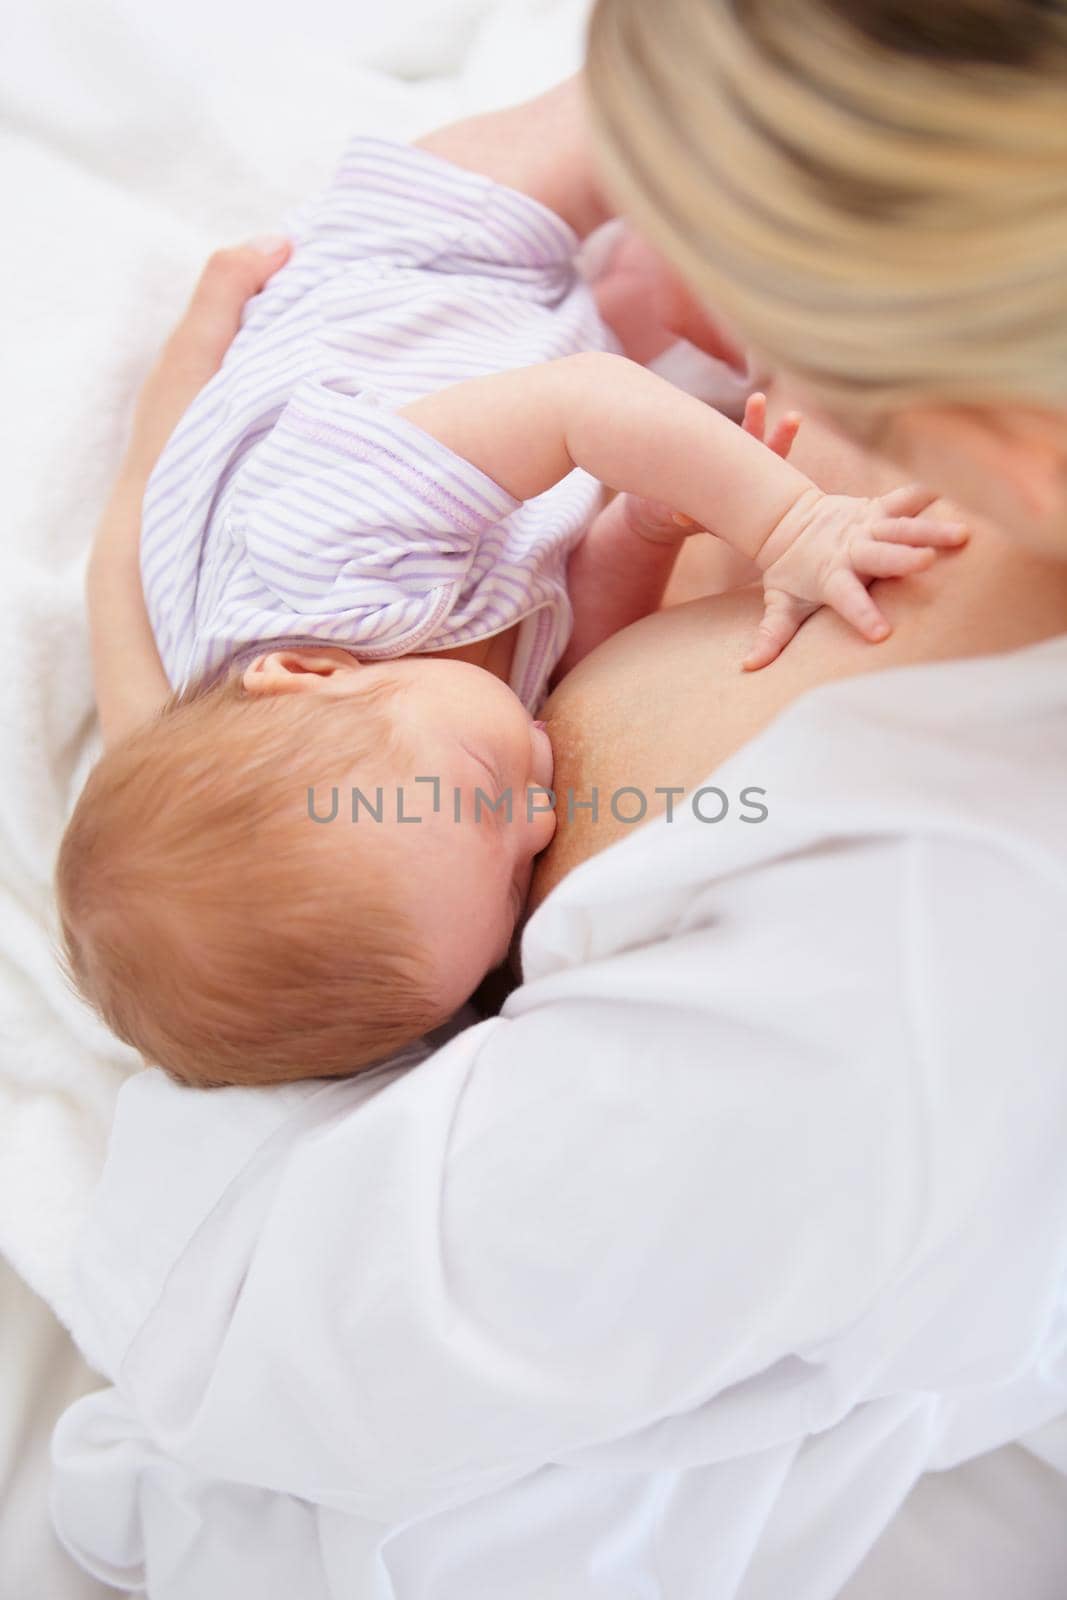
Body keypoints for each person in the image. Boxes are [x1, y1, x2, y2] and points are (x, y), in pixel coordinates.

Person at [51, 6, 1067, 1598]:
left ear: (1014, 437)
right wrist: (134, 588)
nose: (723, 356)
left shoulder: (903, 948)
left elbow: (252, 1348)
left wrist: (139, 648)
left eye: (779, 312)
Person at [53, 79, 956, 1091]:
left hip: (420, 281)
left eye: (493, 802)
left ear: (305, 668)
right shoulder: (417, 777)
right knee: (715, 289)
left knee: (637, 122)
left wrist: (792, 523)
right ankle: (642, 281)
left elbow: (582, 403)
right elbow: (575, 627)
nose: (536, 821)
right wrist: (643, 529)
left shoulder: (325, 553)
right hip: (535, 416)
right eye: (516, 877)